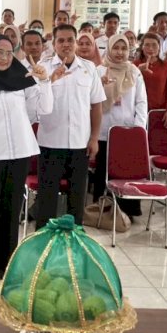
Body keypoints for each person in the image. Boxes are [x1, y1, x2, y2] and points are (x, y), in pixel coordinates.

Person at [0, 35, 53, 289]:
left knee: (12, 212)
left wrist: (43, 81)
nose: (4, 58)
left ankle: (10, 267)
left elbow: (43, 110)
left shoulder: (22, 79)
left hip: (19, 155)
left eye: (8, 52)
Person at [35, 25, 105, 226]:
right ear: (54, 43)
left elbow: (96, 106)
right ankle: (45, 244)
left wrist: (94, 138)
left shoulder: (88, 68)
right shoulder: (43, 67)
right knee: (47, 200)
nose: (66, 44)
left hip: (79, 144)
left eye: (70, 40)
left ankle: (74, 245)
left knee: (77, 200)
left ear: (75, 42)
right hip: (50, 142)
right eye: (61, 40)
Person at [93, 34, 148, 217]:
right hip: (104, 129)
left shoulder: (134, 71)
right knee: (103, 170)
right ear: (108, 49)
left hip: (128, 131)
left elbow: (141, 101)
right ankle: (102, 209)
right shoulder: (99, 70)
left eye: (123, 48)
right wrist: (102, 86)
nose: (119, 52)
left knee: (126, 171)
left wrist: (138, 128)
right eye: (115, 48)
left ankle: (127, 210)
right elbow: (92, 101)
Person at [135, 33, 167, 128]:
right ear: (142, 47)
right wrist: (137, 71)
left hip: (160, 113)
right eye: (147, 45)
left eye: (154, 45)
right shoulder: (134, 65)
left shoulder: (166, 66)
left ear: (159, 47)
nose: (151, 48)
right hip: (137, 112)